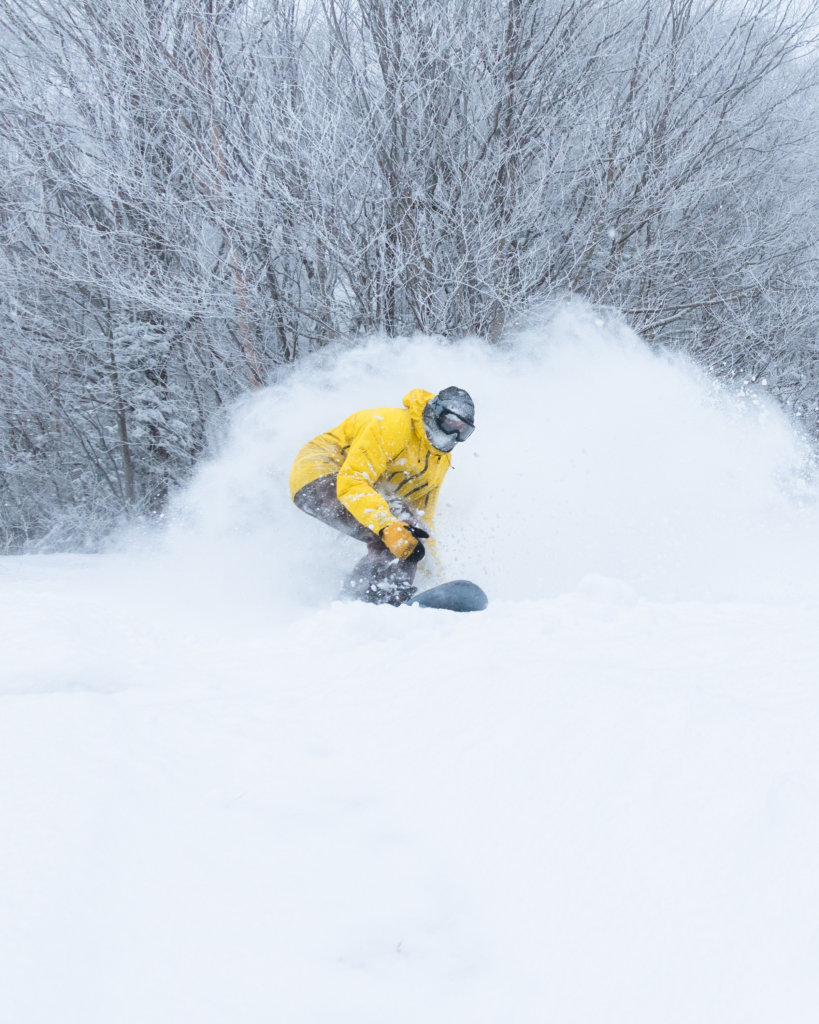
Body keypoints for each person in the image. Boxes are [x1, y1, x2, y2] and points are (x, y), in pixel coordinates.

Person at [289, 386, 475, 605]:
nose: (453, 434)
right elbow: (353, 481)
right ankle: (369, 599)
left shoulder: (439, 461)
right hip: (320, 473)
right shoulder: (392, 424)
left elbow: (423, 518)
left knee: (411, 535)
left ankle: (378, 595)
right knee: (398, 533)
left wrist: (436, 578)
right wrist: (386, 525)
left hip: (363, 486)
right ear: (434, 412)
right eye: (450, 422)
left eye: (463, 431)